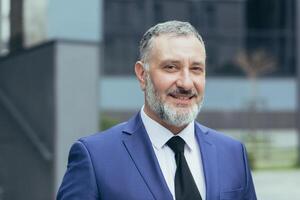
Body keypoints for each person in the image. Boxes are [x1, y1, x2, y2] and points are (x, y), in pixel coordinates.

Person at [57, 20, 257, 200]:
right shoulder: (95, 158)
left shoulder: (232, 154)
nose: (186, 83)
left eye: (196, 69)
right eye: (171, 67)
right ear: (142, 75)